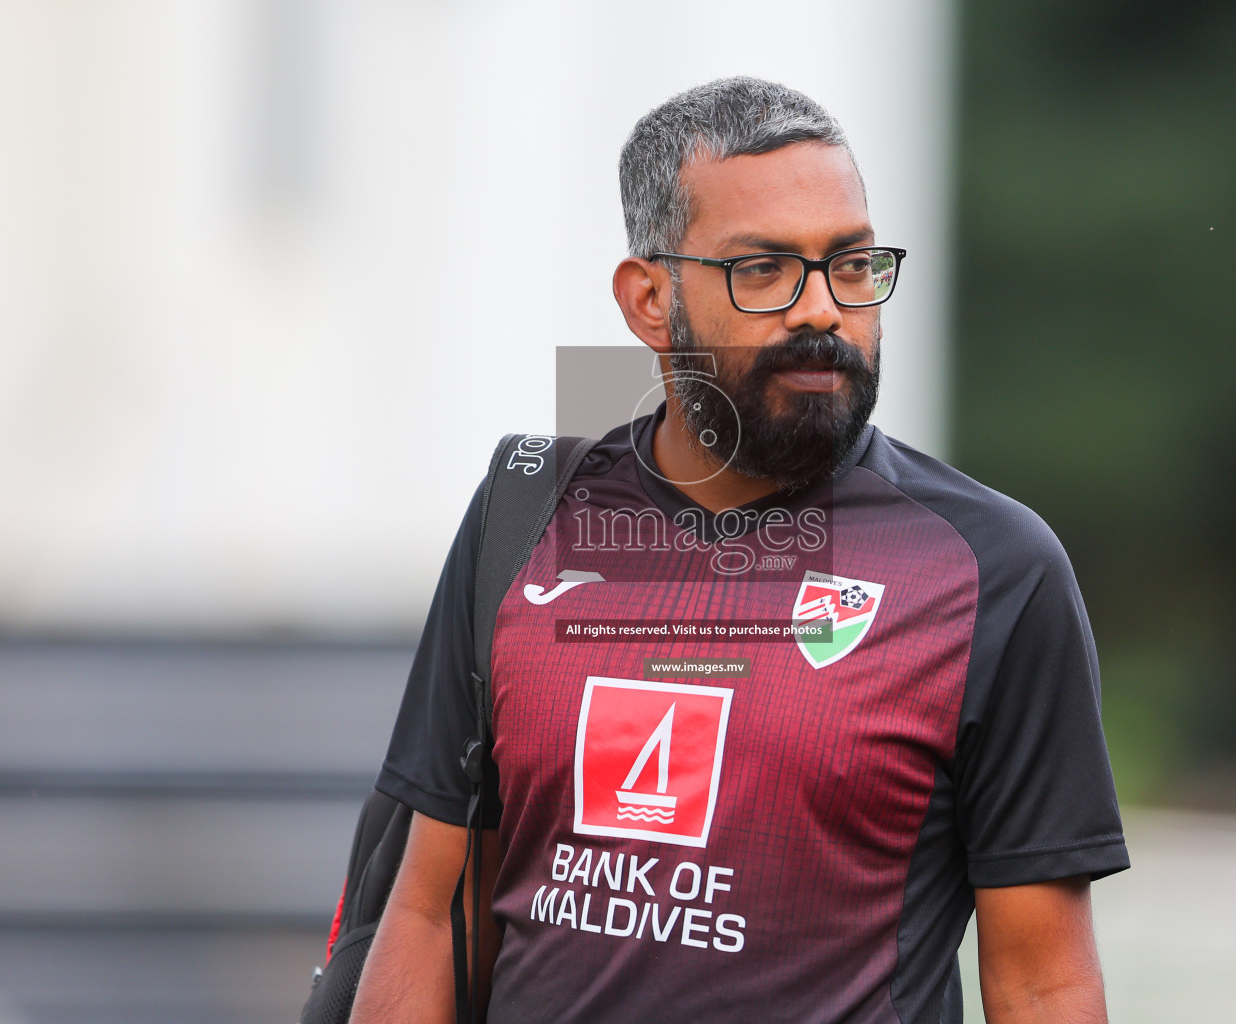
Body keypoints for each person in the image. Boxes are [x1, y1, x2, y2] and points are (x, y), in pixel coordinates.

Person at [350, 77, 1128, 1024]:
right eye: (763, 270)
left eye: (850, 266)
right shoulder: (523, 518)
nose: (822, 311)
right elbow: (434, 910)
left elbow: (1042, 982)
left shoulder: (994, 573)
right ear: (648, 299)